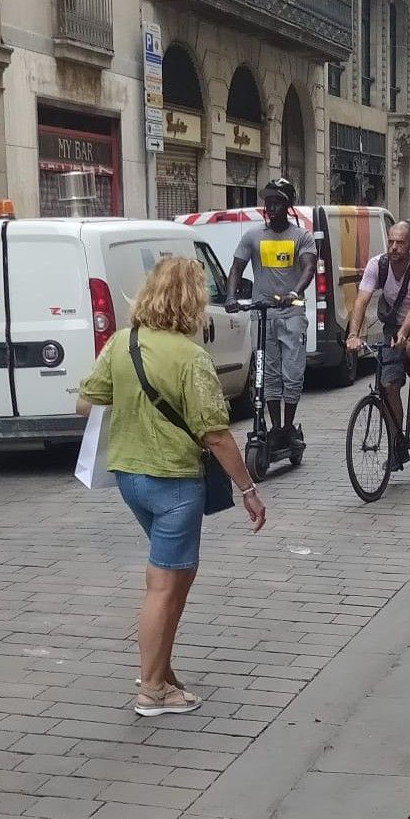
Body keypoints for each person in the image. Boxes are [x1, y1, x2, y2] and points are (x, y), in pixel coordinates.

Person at [76, 257, 266, 716]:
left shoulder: (124, 342)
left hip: (129, 478)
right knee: (165, 586)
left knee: (169, 577)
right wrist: (248, 489)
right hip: (174, 483)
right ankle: (152, 689)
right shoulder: (190, 357)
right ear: (192, 300)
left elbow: (86, 402)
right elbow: (216, 435)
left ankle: (161, 670)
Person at [226, 177, 317, 452]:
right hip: (263, 315)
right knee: (268, 375)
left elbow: (308, 268)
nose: (272, 207)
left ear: (288, 206)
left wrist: (296, 292)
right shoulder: (253, 236)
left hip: (291, 314)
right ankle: (276, 427)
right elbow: (236, 268)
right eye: (268, 202)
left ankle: (288, 427)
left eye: (278, 202)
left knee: (292, 373)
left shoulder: (301, 237)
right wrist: (231, 296)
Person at [346, 221, 410, 469]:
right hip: (394, 322)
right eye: (390, 241)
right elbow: (361, 300)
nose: (393, 247)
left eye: (400, 242)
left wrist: (404, 333)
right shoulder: (377, 265)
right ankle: (397, 446)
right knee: (390, 384)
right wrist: (353, 334)